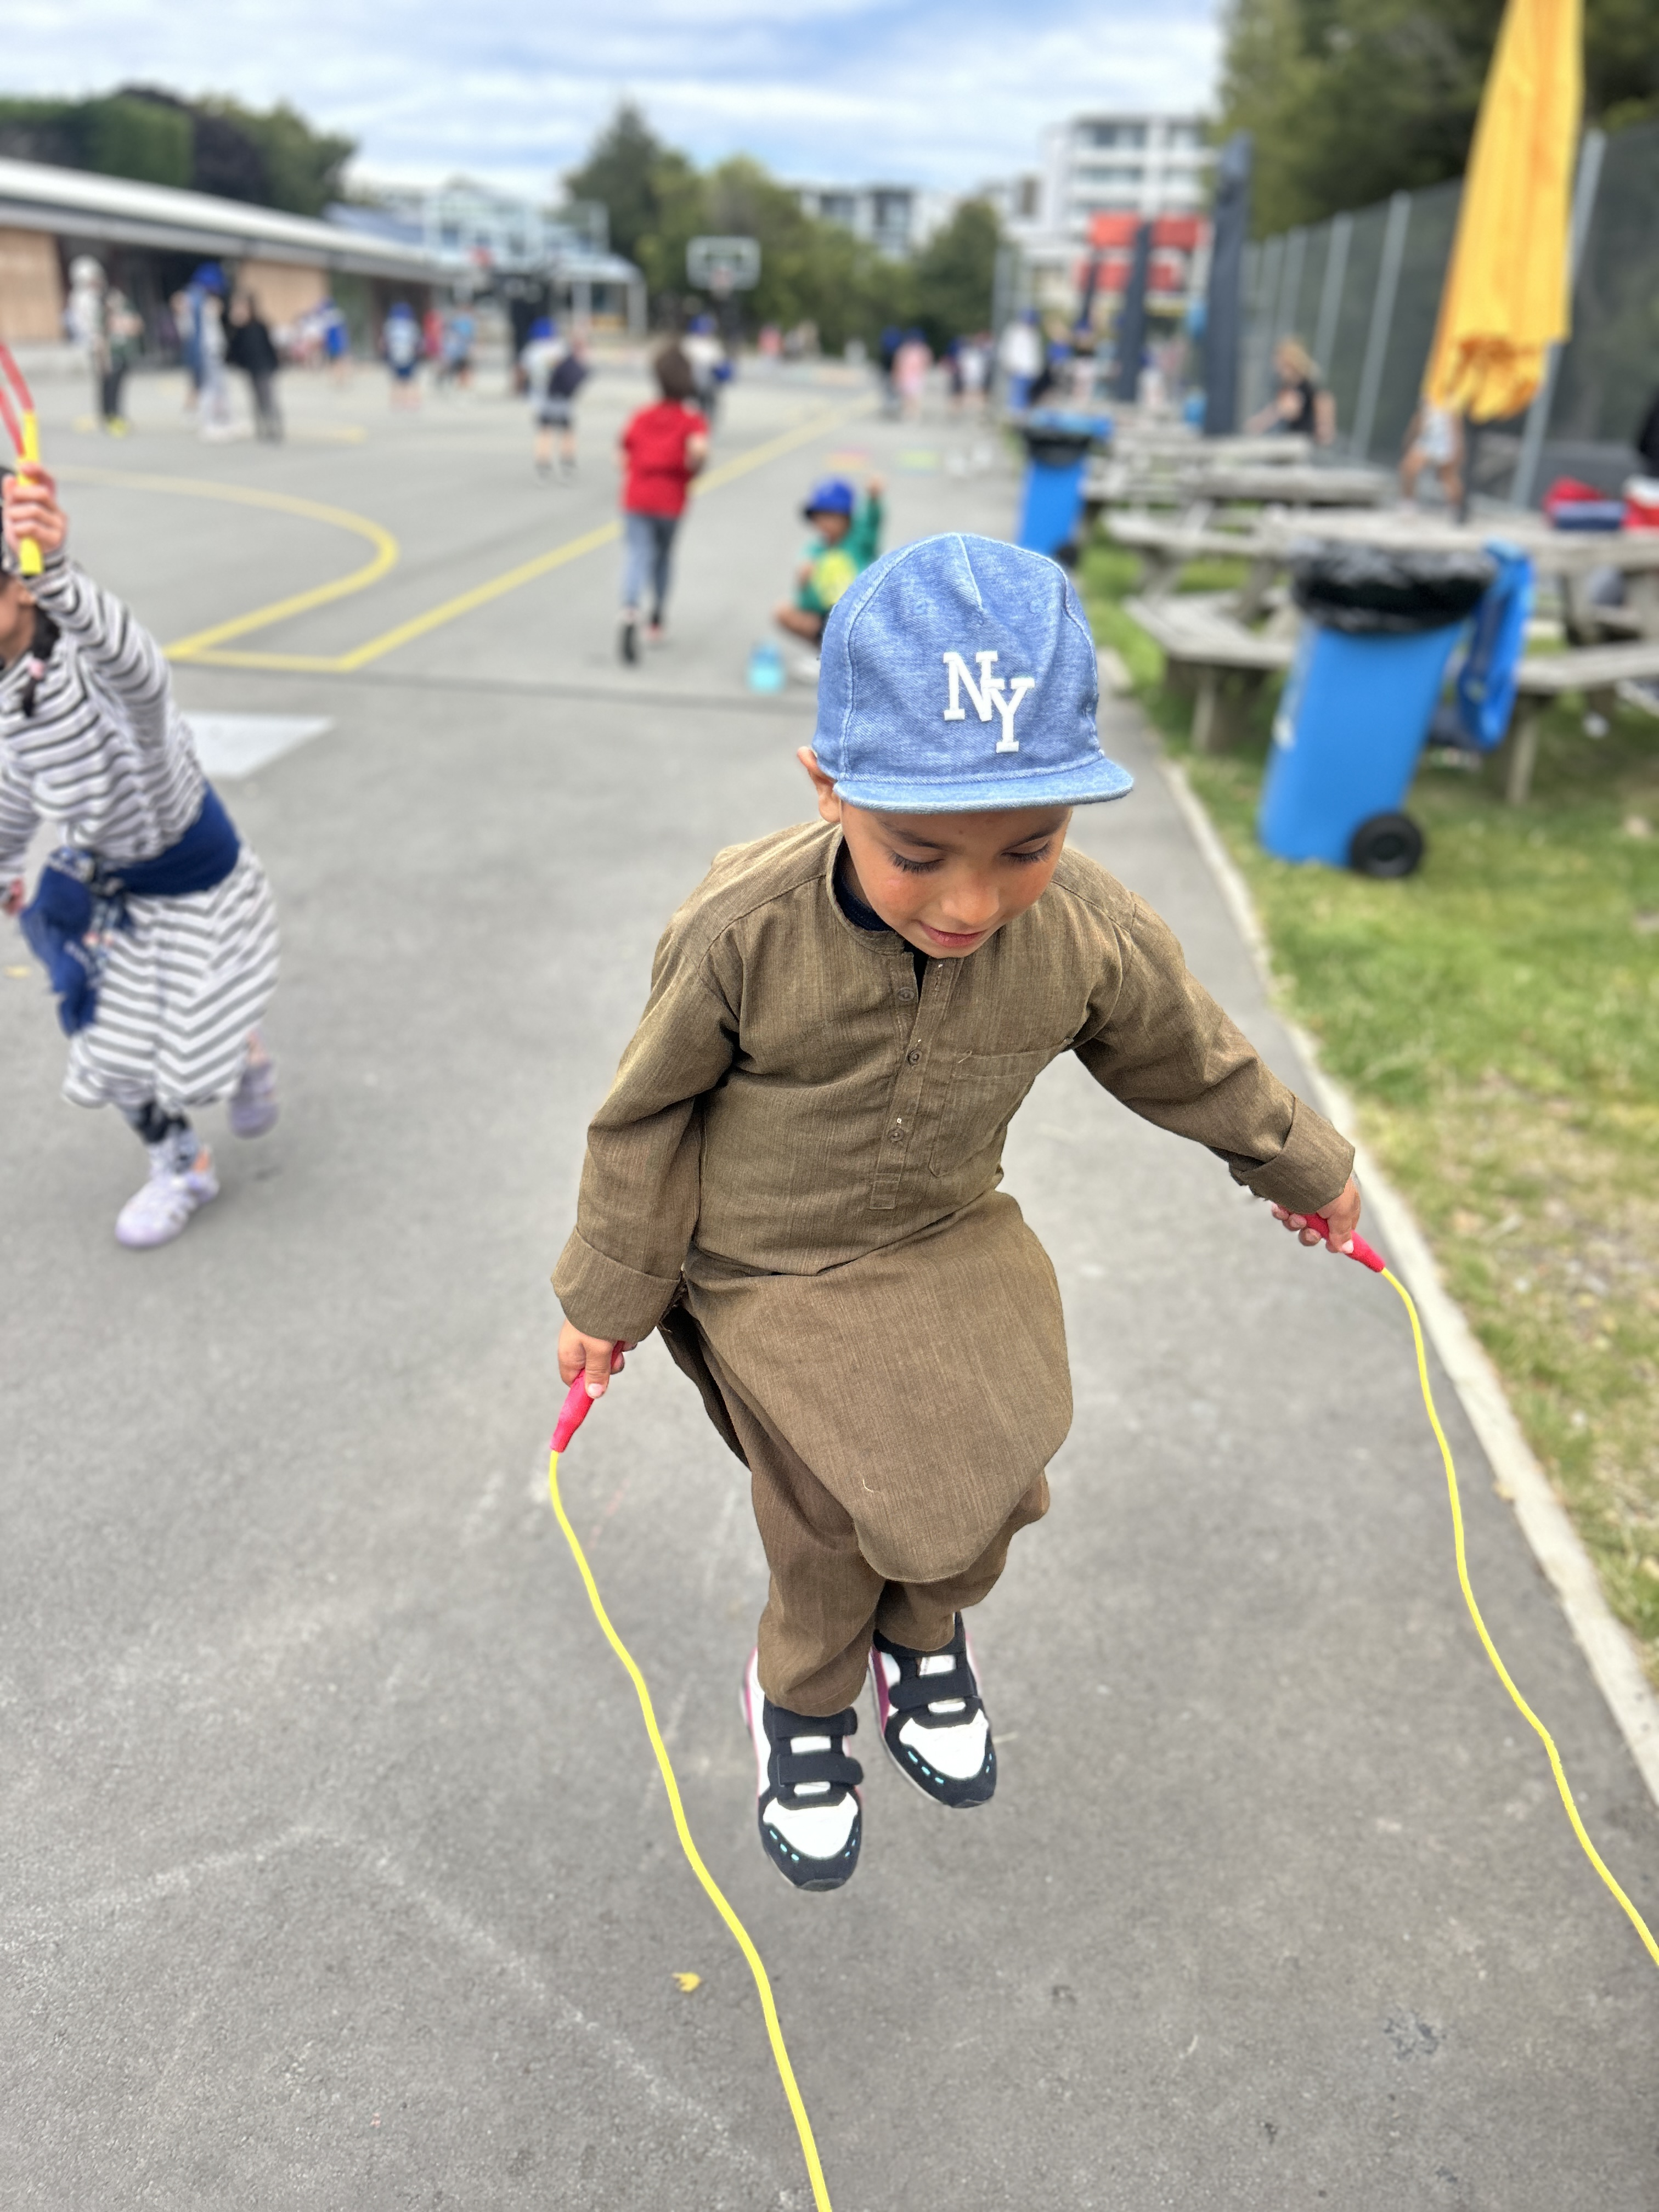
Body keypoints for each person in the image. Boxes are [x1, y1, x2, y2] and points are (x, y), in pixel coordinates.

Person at [551, 532, 1363, 1892]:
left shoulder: (1085, 929)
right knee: (832, 1510)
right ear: (830, 787)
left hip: (944, 1230)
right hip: (765, 1268)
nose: (972, 902)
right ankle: (804, 1701)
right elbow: (645, 1113)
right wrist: (605, 1297)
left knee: (999, 1473)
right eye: (918, 853)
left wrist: (1304, 1166)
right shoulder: (742, 930)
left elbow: (1190, 1054)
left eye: (1028, 847)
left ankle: (924, 1638)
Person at [0, 466, 280, 1249]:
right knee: (106, 1042)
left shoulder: (96, 672)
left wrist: (58, 571)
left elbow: (141, 673)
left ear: (20, 587)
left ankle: (241, 1047)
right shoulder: (7, 692)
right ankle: (182, 1162)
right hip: (109, 884)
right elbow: (13, 786)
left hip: (197, 881)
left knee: (197, 1042)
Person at [616, 344, 709, 664]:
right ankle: (656, 617)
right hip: (670, 501)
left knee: (637, 555)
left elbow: (622, 456)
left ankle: (630, 610)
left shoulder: (642, 415)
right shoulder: (691, 419)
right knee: (663, 557)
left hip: (638, 496)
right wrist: (692, 467)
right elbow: (699, 453)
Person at [773, 475, 884, 672]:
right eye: (820, 517)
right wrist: (804, 584)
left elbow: (872, 522)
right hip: (827, 615)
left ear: (847, 518)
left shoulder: (860, 541)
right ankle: (828, 659)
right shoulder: (814, 552)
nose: (825, 523)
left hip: (858, 613)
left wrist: (874, 499)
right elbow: (807, 604)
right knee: (784, 611)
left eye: (832, 517)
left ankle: (857, 661)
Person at [522, 319, 588, 479]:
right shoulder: (561, 348)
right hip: (562, 395)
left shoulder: (531, 351)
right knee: (567, 429)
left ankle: (543, 463)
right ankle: (568, 462)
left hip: (541, 397)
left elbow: (525, 372)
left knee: (544, 430)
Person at [1247, 336, 1335, 444]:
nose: (1277, 369)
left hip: (1306, 440)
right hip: (1296, 437)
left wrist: (1324, 427)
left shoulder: (1306, 385)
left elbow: (1323, 401)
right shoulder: (1288, 385)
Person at [227, 294, 283, 442]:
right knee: (256, 400)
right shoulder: (238, 329)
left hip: (264, 367)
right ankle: (262, 428)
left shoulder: (259, 325)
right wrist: (235, 326)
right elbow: (232, 351)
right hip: (250, 368)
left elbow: (270, 346)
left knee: (268, 398)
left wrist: (275, 365)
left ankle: (274, 428)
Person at [1400, 402, 1464, 509]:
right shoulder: (1430, 397)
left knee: (1448, 477)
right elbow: (1419, 418)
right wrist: (1411, 437)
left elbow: (1457, 424)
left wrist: (1457, 447)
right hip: (1427, 438)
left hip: (1445, 440)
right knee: (1408, 469)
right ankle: (1408, 504)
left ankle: (1456, 508)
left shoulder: (1453, 400)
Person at [383, 302, 421, 407]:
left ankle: (397, 402)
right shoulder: (412, 326)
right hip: (409, 355)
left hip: (395, 355)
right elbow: (418, 343)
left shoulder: (390, 326)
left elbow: (384, 343)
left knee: (397, 380)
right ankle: (413, 401)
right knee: (411, 380)